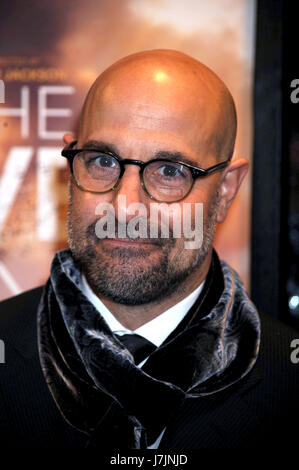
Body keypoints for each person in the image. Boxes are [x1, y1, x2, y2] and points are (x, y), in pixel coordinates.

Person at [0, 49, 298, 450]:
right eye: (103, 161)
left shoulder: (288, 382)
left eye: (170, 171)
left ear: (226, 190)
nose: (125, 207)